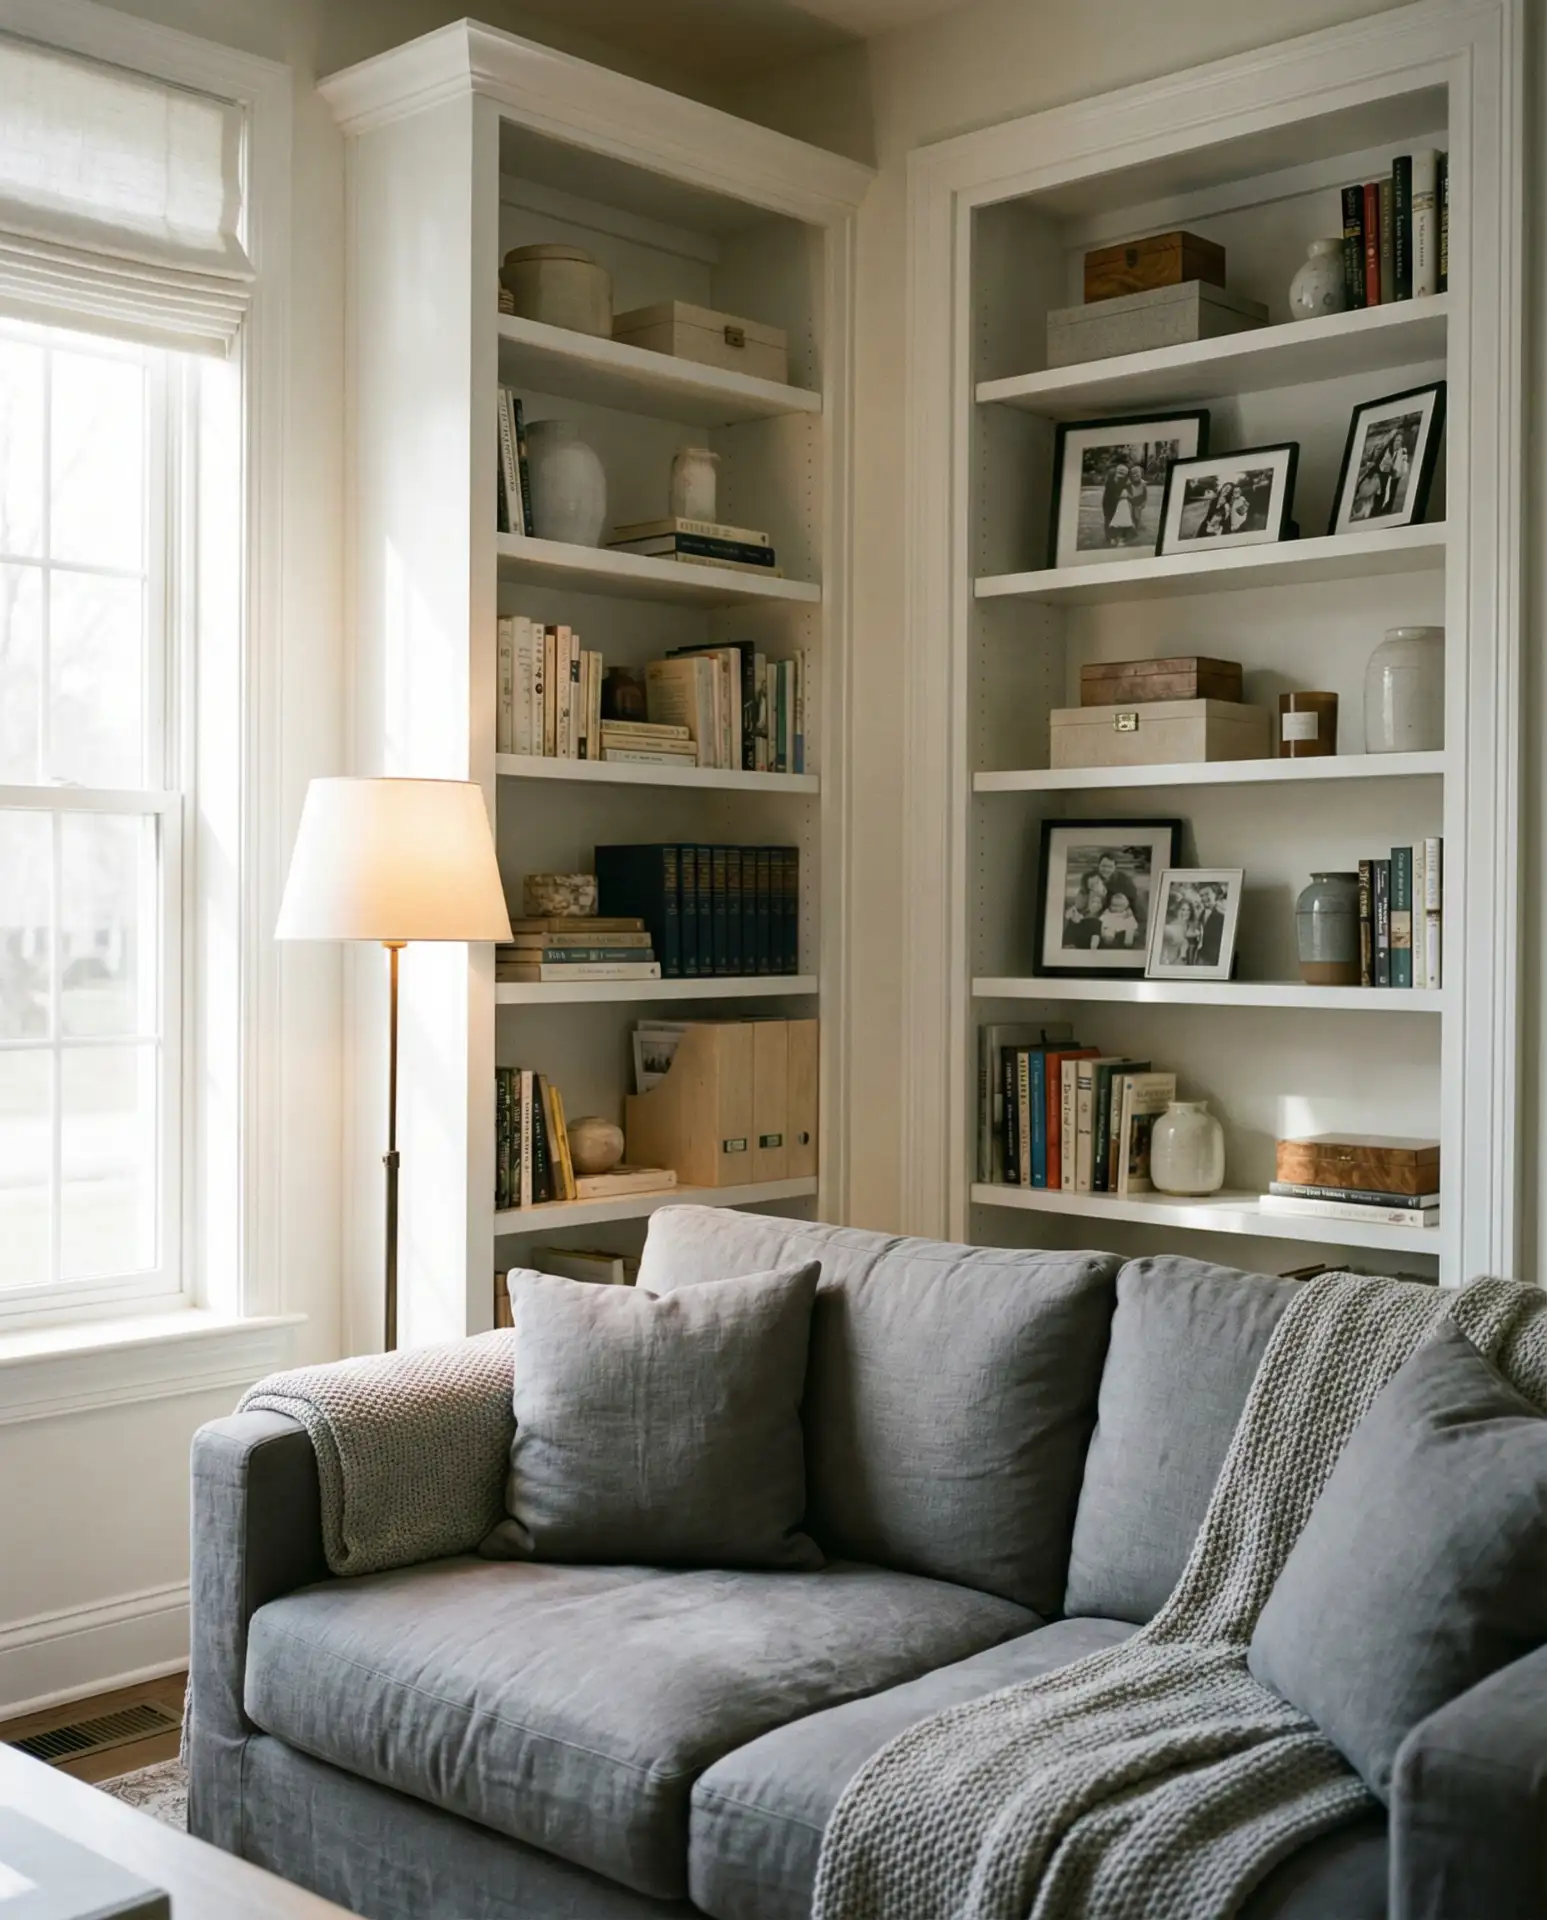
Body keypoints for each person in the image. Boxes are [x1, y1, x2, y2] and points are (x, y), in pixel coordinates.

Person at [1063, 874, 1106, 951]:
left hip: (1095, 918)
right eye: (1092, 884)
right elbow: (1078, 905)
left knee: (1094, 925)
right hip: (1083, 917)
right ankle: (1069, 944)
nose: (1094, 885)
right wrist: (1075, 911)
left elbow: (1095, 908)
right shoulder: (1084, 893)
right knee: (1073, 922)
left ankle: (1092, 945)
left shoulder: (1102, 893)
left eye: (1097, 882)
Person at [1099, 880, 1141, 949]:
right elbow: (1102, 919)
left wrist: (1132, 926)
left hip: (1123, 926)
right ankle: (1108, 939)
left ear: (1125, 907)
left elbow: (1131, 921)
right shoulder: (1108, 912)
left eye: (1119, 906)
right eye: (1114, 906)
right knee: (1108, 931)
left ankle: (1128, 940)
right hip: (1111, 926)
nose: (1116, 909)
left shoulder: (1127, 913)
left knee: (1129, 928)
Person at [1195, 886, 1227, 967]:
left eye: (1207, 894)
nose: (1204, 898)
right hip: (1201, 955)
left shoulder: (1223, 913)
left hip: (1214, 958)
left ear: (1215, 895)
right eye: (1201, 895)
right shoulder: (1201, 912)